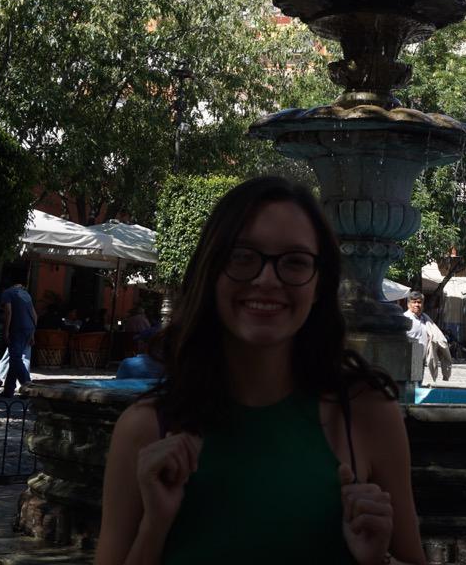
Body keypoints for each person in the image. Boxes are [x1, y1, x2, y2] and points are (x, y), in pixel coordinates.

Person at [94, 176, 424, 565]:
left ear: (320, 284)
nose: (267, 279)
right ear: (211, 271)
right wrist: (155, 526)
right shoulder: (146, 429)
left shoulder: (366, 414)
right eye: (242, 257)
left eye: (295, 262)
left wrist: (375, 560)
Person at [0, 280, 36, 397]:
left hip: (17, 329)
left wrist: (6, 331)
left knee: (15, 359)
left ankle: (28, 386)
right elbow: (35, 315)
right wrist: (32, 333)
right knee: (15, 359)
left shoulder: (7, 293)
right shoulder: (26, 295)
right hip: (29, 328)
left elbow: (8, 312)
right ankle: (9, 390)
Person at [403, 292, 450, 384]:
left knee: (417, 385)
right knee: (409, 386)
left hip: (421, 360)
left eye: (419, 302)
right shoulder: (405, 318)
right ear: (408, 304)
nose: (417, 305)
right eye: (414, 302)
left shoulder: (425, 319)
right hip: (409, 359)